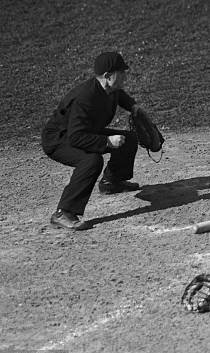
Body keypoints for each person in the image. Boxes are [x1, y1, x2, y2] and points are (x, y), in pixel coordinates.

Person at [42, 51, 145, 230]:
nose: (125, 76)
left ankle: (111, 182)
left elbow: (119, 95)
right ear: (107, 76)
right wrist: (106, 142)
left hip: (84, 132)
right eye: (121, 72)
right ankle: (63, 212)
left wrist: (133, 106)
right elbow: (75, 137)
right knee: (91, 160)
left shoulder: (110, 89)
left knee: (128, 139)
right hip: (60, 139)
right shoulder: (86, 98)